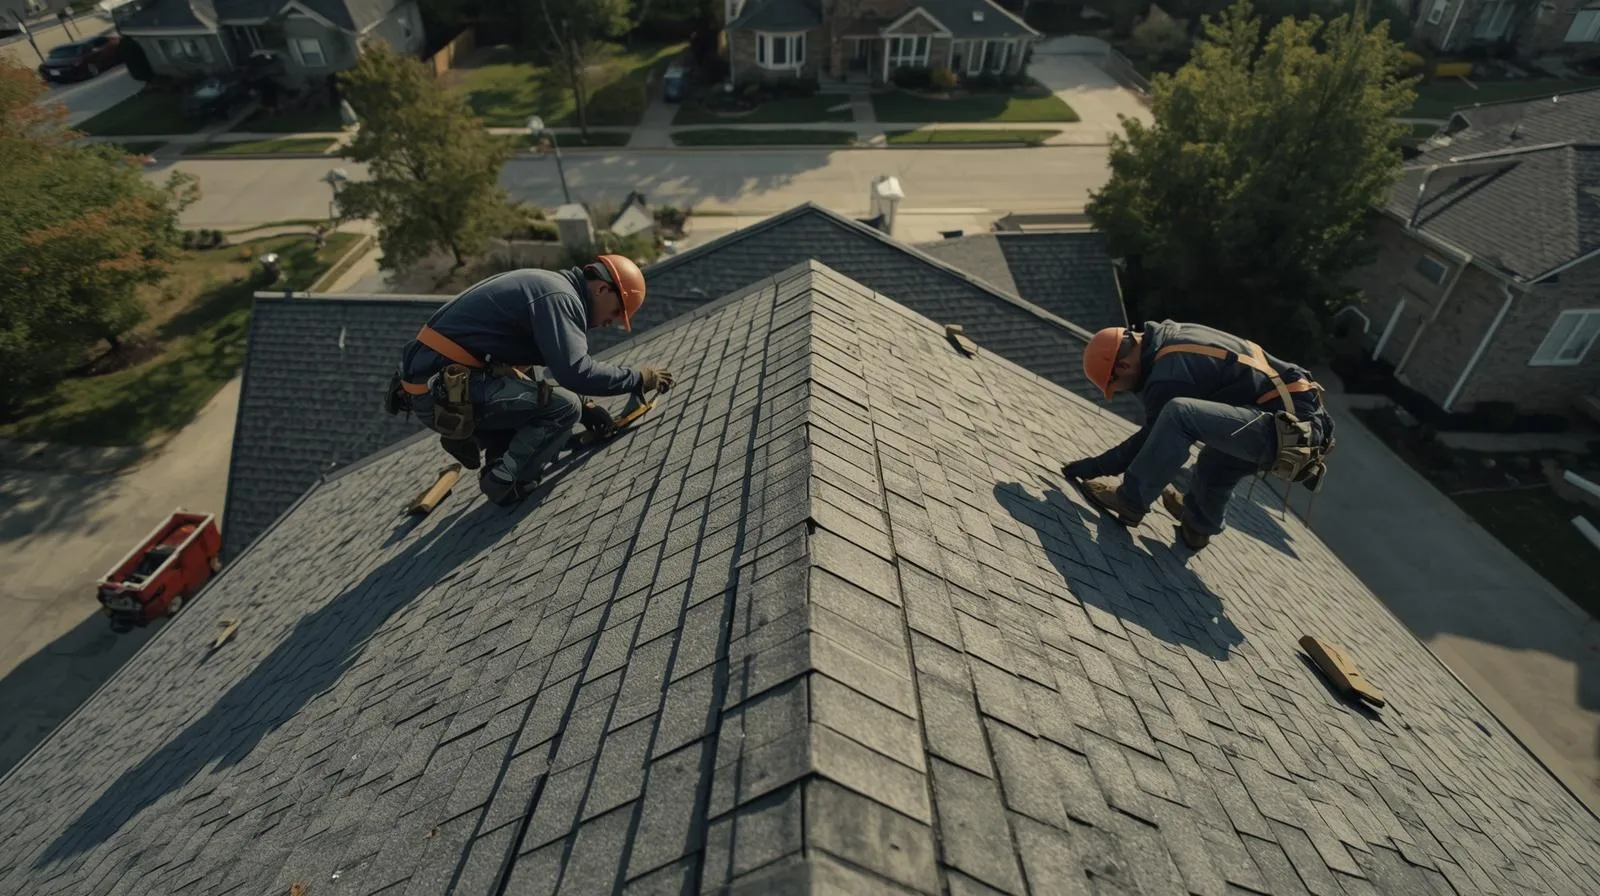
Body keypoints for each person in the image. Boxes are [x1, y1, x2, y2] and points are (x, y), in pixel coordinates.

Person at [387, 254, 675, 507]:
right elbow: (576, 371)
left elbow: (530, 373)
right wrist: (637, 378)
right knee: (564, 408)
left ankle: (485, 442)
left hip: (441, 388)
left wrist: (589, 407)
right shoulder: (559, 299)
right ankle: (506, 478)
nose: (609, 323)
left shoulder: (549, 287)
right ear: (602, 288)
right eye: (615, 312)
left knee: (554, 402)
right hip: (443, 391)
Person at [1059, 320, 1335, 551]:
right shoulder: (1170, 339)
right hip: (1292, 416)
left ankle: (1130, 501)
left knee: (1181, 413)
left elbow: (1152, 436)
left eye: (1116, 386)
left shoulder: (1168, 372)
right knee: (1218, 460)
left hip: (1288, 426)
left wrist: (1096, 466)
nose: (1125, 391)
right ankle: (1198, 524)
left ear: (1122, 367)